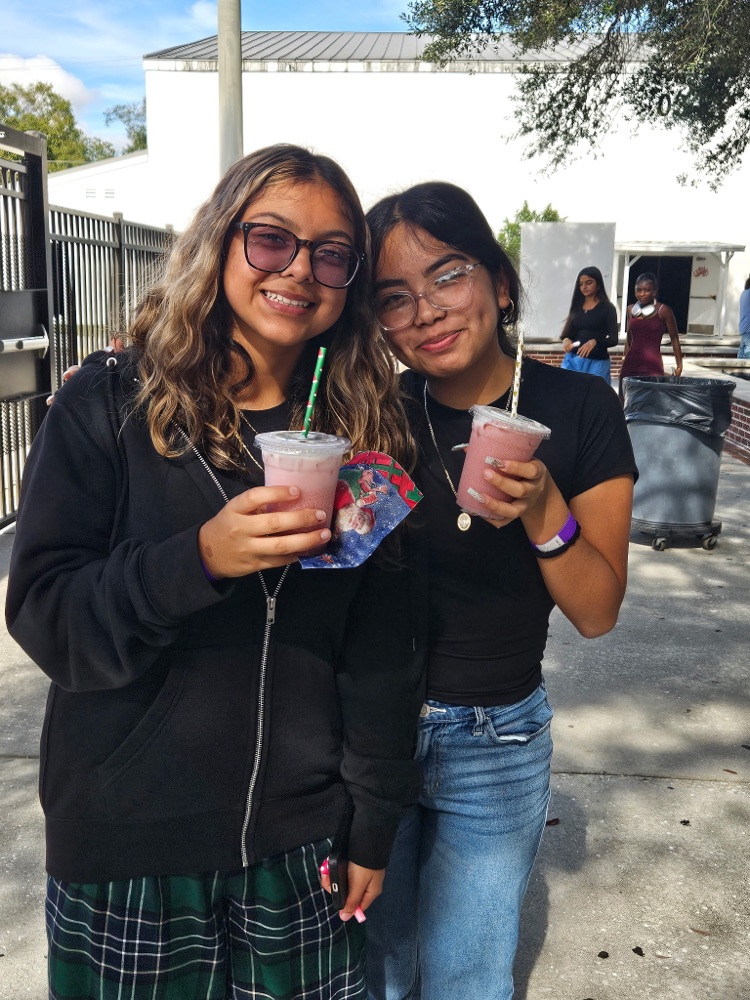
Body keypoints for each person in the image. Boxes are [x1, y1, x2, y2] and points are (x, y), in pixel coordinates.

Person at [6, 144, 426, 1000]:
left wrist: (372, 824)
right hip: (129, 845)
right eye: (272, 239)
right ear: (221, 239)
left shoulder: (363, 434)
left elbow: (384, 651)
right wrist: (196, 560)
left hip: (300, 845)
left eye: (333, 253)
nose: (301, 270)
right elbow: (49, 616)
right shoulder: (109, 404)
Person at [362, 181, 637, 1000]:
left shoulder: (579, 407)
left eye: (448, 276)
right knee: (376, 972)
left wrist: (546, 511)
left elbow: (596, 611)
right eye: (395, 297)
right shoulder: (377, 408)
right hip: (371, 731)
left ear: (500, 283)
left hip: (497, 739)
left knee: (466, 979)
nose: (428, 311)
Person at [619, 271, 683, 400]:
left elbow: (674, 339)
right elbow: (629, 337)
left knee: (652, 402)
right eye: (639, 290)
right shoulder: (631, 309)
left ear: (654, 291)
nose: (642, 294)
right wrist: (625, 357)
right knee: (624, 401)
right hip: (631, 363)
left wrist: (679, 365)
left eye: (647, 290)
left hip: (652, 364)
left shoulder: (663, 310)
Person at [560, 266, 619, 384]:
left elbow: (613, 339)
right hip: (573, 361)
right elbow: (567, 334)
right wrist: (566, 340)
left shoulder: (608, 308)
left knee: (595, 398)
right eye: (581, 284)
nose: (584, 287)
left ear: (598, 284)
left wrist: (595, 342)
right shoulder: (577, 307)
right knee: (568, 397)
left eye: (588, 283)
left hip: (597, 363)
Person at [738, 274, 750, 359]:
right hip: (749, 327)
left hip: (743, 326)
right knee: (748, 350)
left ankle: (738, 370)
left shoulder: (744, 292)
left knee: (742, 350)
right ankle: (746, 370)